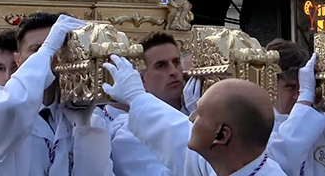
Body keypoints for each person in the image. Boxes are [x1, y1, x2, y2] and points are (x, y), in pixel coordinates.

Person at [0, 12, 111, 176]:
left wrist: (84, 128)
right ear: (18, 60)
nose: (54, 57)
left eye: (61, 49)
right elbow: (11, 109)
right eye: (37, 49)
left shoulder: (88, 117)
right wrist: (47, 49)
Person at [103, 56, 285, 176]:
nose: (190, 117)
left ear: (222, 135)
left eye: (200, 113)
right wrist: (136, 97)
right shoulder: (223, 162)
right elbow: (175, 133)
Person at [109, 32, 187, 176]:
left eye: (176, 62)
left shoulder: (192, 113)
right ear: (141, 78)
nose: (173, 71)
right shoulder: (129, 133)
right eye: (161, 66)